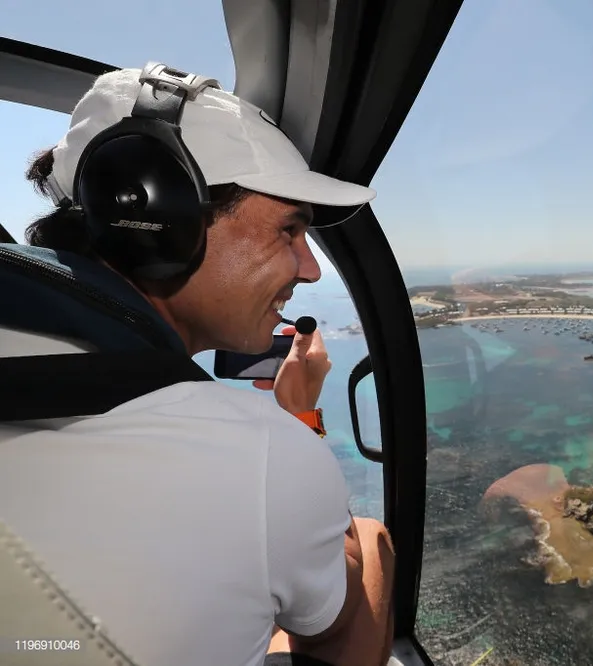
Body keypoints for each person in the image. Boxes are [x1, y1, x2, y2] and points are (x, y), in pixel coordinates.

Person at [0, 66, 395, 666]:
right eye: (289, 229)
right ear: (156, 217)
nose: (311, 269)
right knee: (370, 540)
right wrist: (297, 420)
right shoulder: (258, 450)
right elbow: (330, 627)